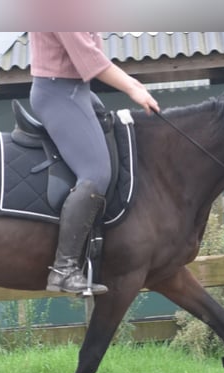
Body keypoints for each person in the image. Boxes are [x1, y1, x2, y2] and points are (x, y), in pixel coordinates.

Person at [29, 32, 160, 295]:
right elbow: (89, 58)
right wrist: (133, 87)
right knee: (96, 173)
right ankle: (63, 269)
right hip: (58, 93)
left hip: (79, 91)